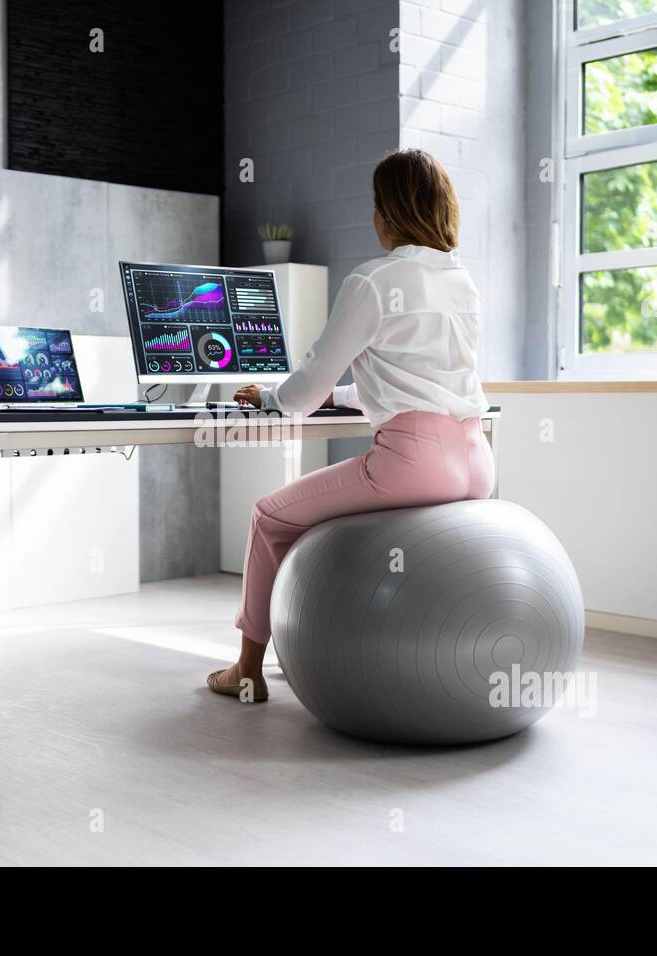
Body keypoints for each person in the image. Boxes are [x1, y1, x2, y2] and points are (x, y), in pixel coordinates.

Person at [208, 148, 495, 702]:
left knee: (269, 515)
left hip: (412, 464)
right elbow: (413, 384)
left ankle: (247, 669)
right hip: (476, 460)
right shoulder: (463, 283)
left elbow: (305, 389)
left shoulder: (372, 280)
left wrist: (270, 397)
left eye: (375, 205)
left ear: (387, 213)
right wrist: (337, 398)